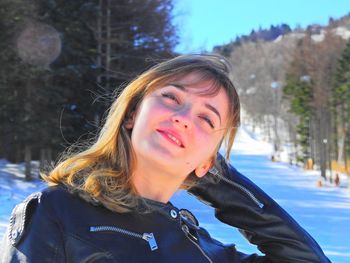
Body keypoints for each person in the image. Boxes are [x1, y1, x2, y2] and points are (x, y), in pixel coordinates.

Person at [1, 54, 331, 262]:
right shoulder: (57, 212)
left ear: (210, 163)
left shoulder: (203, 250)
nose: (184, 117)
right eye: (171, 97)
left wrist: (210, 174)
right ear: (132, 114)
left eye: (207, 119)